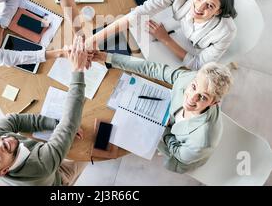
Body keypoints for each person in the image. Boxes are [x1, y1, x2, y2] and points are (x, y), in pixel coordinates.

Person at [0, 36, 89, 185]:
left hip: (41, 153)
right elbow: (68, 126)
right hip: (59, 178)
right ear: (3, 171)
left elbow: (14, 120)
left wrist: (55, 123)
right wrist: (77, 70)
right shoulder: (40, 167)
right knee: (89, 149)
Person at [93, 51, 232, 173]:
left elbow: (180, 154)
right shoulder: (193, 78)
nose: (192, 97)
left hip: (178, 154)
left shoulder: (202, 141)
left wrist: (162, 131)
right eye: (194, 87)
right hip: (168, 120)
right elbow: (153, 68)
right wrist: (109, 57)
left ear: (214, 103)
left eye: (203, 97)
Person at [88, 0, 238, 70]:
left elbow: (198, 65)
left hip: (188, 48)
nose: (199, 7)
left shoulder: (225, 32)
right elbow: (137, 15)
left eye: (210, 6)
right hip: (176, 32)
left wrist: (165, 39)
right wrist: (94, 39)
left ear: (218, 12)